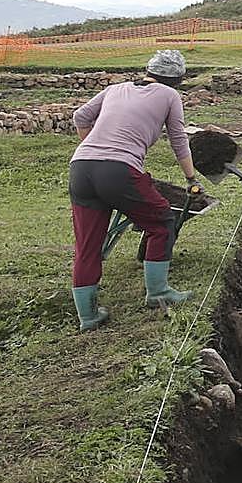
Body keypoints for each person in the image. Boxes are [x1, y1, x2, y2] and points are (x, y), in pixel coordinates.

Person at [69, 50, 198, 332]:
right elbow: (178, 138)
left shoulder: (115, 89)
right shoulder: (169, 95)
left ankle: (88, 317)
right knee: (162, 221)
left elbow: (80, 116)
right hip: (119, 171)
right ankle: (158, 292)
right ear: (177, 79)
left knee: (88, 245)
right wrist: (190, 177)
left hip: (80, 168)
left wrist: (93, 145)